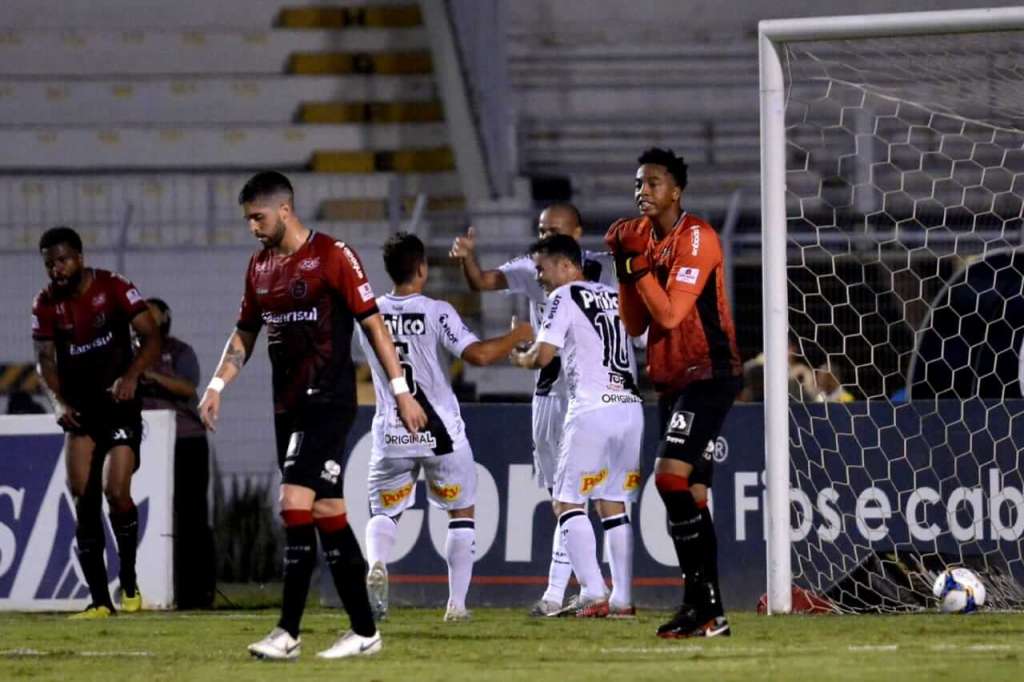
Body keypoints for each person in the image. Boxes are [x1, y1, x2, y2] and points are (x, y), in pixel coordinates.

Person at [197, 171, 427, 661]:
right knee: (327, 513)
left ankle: (287, 632)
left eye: (257, 217)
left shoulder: (333, 256)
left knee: (293, 501)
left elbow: (374, 326)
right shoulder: (258, 269)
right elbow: (244, 336)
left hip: (328, 400)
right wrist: (217, 385)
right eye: (247, 220)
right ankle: (365, 632)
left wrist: (401, 391)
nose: (253, 227)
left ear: (284, 210)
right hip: (287, 407)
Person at [449, 204, 616, 616]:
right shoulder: (531, 267)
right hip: (549, 395)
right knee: (562, 494)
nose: (545, 235)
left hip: (591, 396)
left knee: (588, 496)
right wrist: (468, 258)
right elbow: (483, 281)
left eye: (554, 229)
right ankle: (571, 592)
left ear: (576, 232)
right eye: (541, 229)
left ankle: (566, 592)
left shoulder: (605, 269)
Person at [358, 232, 534, 623]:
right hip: (441, 432)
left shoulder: (367, 315)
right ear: (421, 269)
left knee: (384, 514)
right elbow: (479, 356)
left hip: (393, 430)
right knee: (461, 512)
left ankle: (377, 562)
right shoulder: (437, 310)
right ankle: (456, 605)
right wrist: (518, 335)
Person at [604, 147, 742, 638]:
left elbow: (669, 316)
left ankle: (703, 607)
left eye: (654, 183)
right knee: (692, 494)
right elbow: (635, 321)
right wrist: (624, 264)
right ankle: (710, 614)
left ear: (676, 191)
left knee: (668, 480)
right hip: (670, 377)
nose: (643, 191)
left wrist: (636, 264)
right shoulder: (640, 237)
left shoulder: (698, 238)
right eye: (639, 182)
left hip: (710, 372)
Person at [31, 226, 160, 619]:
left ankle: (131, 580)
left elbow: (151, 336)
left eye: (63, 260)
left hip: (119, 406)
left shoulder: (114, 287)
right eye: (50, 263)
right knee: (82, 498)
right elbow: (46, 361)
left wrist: (132, 376)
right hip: (82, 411)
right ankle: (100, 601)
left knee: (116, 491)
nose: (57, 269)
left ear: (80, 257)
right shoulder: (45, 304)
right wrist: (57, 402)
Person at [510, 234, 642, 618]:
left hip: (591, 409)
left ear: (566, 265)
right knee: (613, 503)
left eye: (542, 268)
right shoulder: (615, 295)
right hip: (630, 408)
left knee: (567, 501)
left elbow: (544, 356)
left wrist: (520, 356)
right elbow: (643, 338)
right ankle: (622, 598)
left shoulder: (564, 297)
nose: (539, 277)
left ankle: (593, 590)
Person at [137, 297, 215, 608]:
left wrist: (152, 376)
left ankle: (197, 592)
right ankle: (154, 587)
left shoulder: (180, 351)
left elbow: (187, 387)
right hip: (146, 445)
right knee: (152, 516)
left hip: (185, 441)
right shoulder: (130, 355)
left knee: (192, 516)